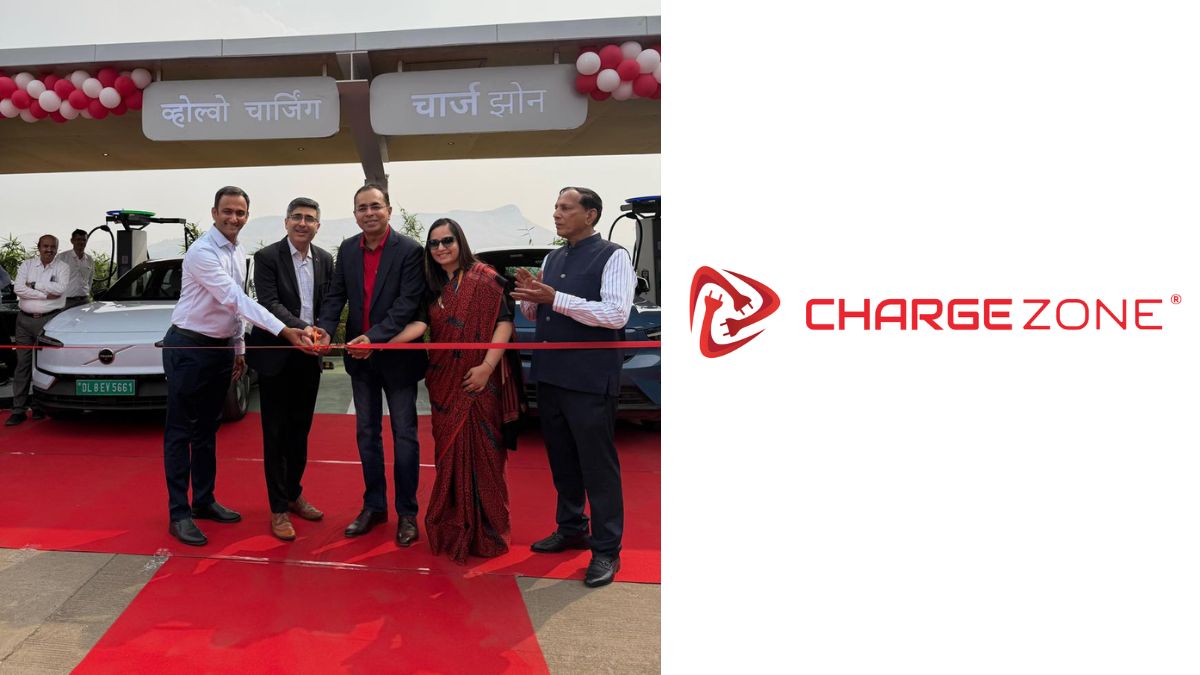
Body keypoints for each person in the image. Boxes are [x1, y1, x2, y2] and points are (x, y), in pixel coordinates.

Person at [163, 186, 315, 547]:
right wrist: (284, 330)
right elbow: (234, 298)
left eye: (240, 213)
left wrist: (238, 348)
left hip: (220, 350)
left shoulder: (236, 250)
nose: (234, 218)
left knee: (207, 430)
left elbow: (234, 310)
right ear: (214, 213)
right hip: (188, 347)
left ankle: (203, 501)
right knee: (180, 433)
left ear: (247, 216)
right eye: (227, 211)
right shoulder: (202, 252)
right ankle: (179, 514)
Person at [512, 186, 635, 588]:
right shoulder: (553, 257)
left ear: (591, 214)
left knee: (597, 466)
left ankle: (607, 549)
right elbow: (540, 311)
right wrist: (531, 297)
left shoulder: (613, 256)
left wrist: (555, 297)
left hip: (589, 379)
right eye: (556, 207)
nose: (557, 214)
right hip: (550, 376)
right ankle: (571, 527)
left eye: (566, 208)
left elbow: (615, 315)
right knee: (562, 460)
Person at [400, 218, 519, 564]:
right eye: (434, 243)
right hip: (444, 382)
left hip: (480, 382)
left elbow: (504, 323)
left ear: (460, 242)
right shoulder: (431, 284)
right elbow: (420, 325)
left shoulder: (485, 278)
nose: (441, 248)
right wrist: (380, 343)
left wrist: (486, 368)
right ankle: (453, 526)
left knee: (486, 455)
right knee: (448, 455)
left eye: (447, 241)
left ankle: (489, 530)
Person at [317, 183, 428, 546]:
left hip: (397, 358)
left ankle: (407, 513)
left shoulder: (410, 250)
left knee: (405, 435)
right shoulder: (348, 249)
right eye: (362, 208)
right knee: (366, 434)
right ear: (355, 215)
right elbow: (336, 295)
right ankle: (374, 506)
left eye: (375, 206)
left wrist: (374, 339)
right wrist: (324, 329)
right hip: (359, 359)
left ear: (389, 210)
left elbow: (407, 305)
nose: (369, 213)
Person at [245, 197, 334, 541]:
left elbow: (330, 304)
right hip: (276, 356)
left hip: (309, 357)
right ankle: (278, 508)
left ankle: (294, 494)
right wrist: (302, 327)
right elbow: (269, 303)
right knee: (276, 435)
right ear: (286, 222)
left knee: (300, 432)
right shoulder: (267, 257)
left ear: (317, 226)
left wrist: (324, 330)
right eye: (296, 217)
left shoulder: (325, 259)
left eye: (309, 218)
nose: (302, 223)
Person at [6, 235, 70, 426]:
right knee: (23, 365)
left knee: (43, 365)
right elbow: (18, 289)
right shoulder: (27, 265)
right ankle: (18, 410)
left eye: (53, 247)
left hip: (50, 321)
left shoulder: (63, 267)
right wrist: (44, 294)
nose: (49, 249)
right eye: (45, 246)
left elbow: (59, 290)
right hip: (24, 322)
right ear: (39, 247)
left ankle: (38, 407)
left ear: (57, 248)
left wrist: (34, 285)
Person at [55, 228, 94, 308]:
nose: (81, 242)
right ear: (72, 241)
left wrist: (87, 294)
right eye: (78, 239)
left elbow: (90, 280)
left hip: (84, 301)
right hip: (66, 301)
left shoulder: (89, 259)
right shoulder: (62, 257)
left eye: (84, 240)